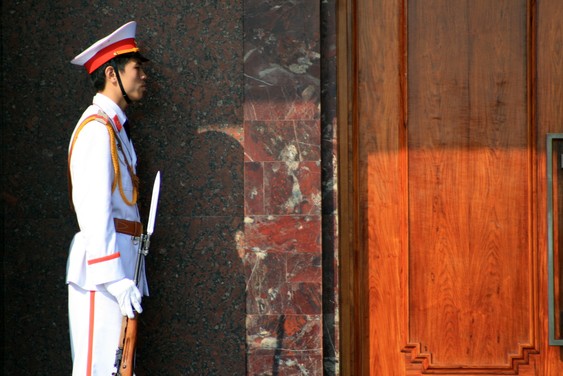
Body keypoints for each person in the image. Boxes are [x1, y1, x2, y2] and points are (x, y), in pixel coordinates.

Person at [67, 21, 149, 376]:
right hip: (103, 273)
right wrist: (114, 277)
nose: (144, 76)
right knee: (98, 369)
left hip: (121, 269)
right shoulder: (97, 130)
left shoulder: (115, 129)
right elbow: (94, 209)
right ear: (111, 74)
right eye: (137, 68)